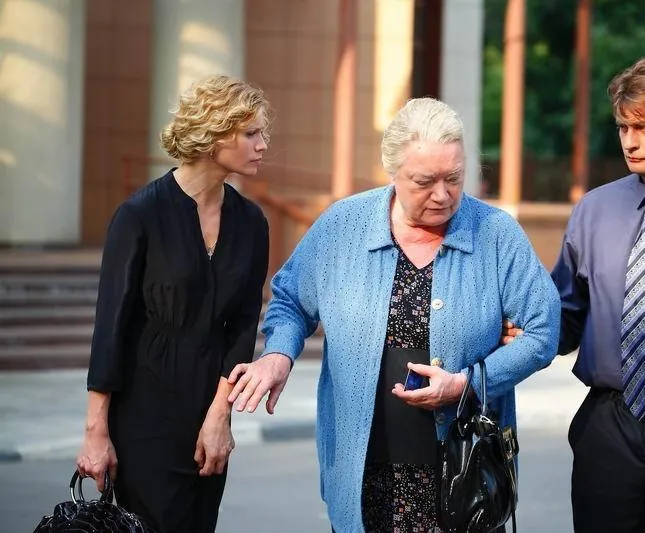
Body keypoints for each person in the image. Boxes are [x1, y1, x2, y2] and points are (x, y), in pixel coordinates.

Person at [227, 97, 561, 532]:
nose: (442, 195)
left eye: (454, 178)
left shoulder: (495, 234)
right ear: (392, 172)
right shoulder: (343, 225)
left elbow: (543, 330)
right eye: (424, 181)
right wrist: (278, 354)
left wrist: (467, 384)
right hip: (365, 476)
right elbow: (291, 300)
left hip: (464, 475)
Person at [75, 75, 271, 532]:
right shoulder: (139, 215)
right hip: (145, 405)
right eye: (250, 133)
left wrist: (221, 414)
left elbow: (244, 325)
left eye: (262, 133)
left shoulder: (251, 222)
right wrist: (95, 432)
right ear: (213, 135)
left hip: (210, 403)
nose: (263, 145)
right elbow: (110, 329)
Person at [505, 58, 645, 532]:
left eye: (642, 127)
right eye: (623, 127)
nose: (630, 142)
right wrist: (522, 328)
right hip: (611, 426)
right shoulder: (596, 210)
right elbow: (565, 314)